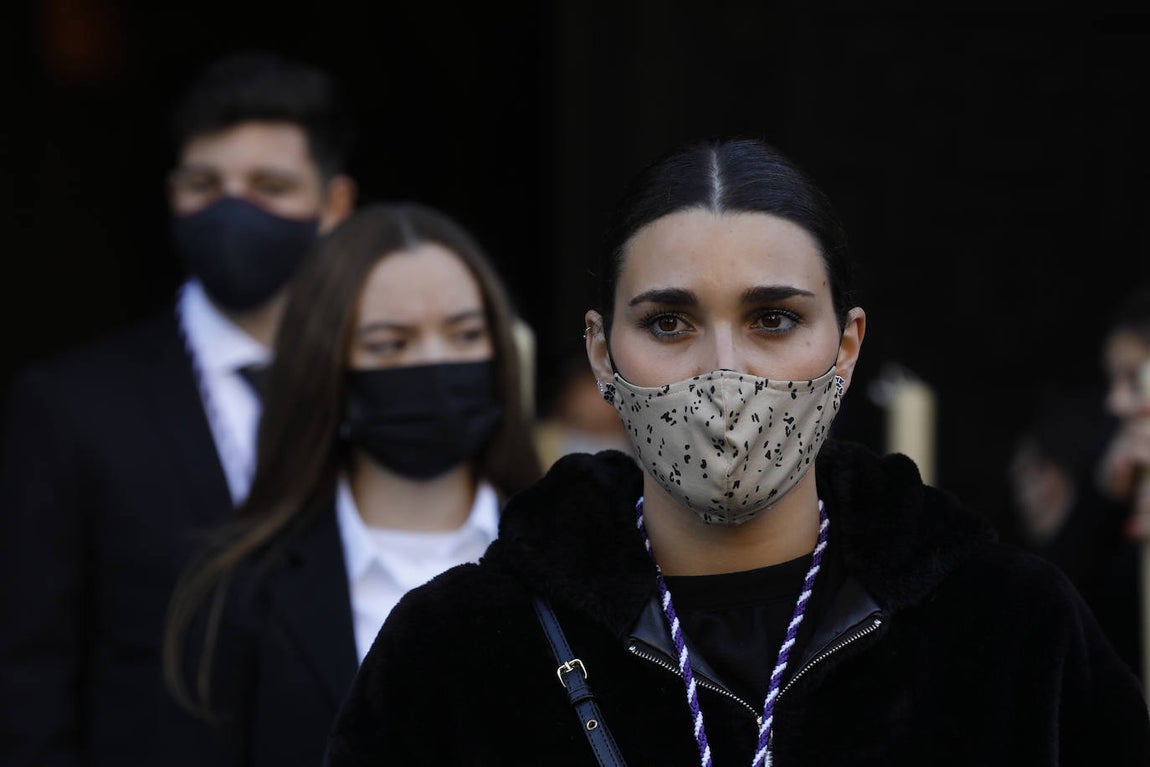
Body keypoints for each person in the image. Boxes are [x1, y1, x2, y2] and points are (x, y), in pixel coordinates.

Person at [324, 137, 1150, 766]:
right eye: (668, 323)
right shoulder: (456, 650)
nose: (724, 372)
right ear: (602, 354)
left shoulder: (1010, 630)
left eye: (773, 320)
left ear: (847, 345)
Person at [0, 50, 356, 766]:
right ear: (172, 196)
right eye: (204, 184)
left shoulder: (383, 384)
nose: (232, 208)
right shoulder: (70, 405)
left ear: (334, 206)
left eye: (270, 186)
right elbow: (28, 671)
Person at [161, 201, 543, 766]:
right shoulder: (235, 592)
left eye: (465, 334)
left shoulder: (581, 562)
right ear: (325, 368)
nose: (435, 364)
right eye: (390, 343)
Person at [1091, 283, 1150, 681]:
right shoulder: (1117, 483)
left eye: (1132, 378)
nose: (1114, 402)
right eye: (1112, 381)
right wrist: (1106, 497)